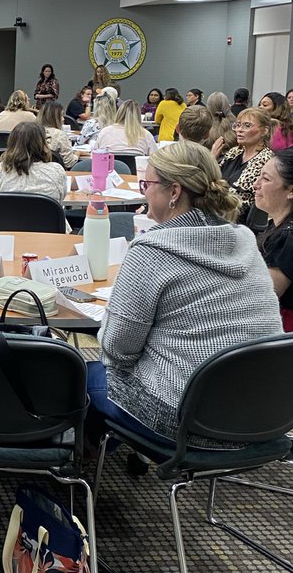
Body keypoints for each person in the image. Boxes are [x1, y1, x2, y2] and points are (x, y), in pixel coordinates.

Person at [87, 141, 280, 446]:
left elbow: (118, 351)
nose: (144, 193)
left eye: (147, 185)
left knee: (84, 374)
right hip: (263, 417)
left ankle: (84, 463)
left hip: (188, 422)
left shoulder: (151, 251)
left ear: (174, 191)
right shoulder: (244, 240)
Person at [255, 149, 293, 331]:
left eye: (266, 179)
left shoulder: (288, 237)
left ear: (291, 191)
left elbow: (263, 295)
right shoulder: (278, 227)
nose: (256, 184)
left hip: (281, 334)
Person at [0, 121, 66, 203]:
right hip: (46, 211)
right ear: (43, 144)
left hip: (9, 211)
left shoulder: (3, 169)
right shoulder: (56, 170)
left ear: (11, 143)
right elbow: (61, 198)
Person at [216, 106, 273, 213]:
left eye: (247, 126)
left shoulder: (266, 160)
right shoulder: (234, 152)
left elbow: (239, 200)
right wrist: (212, 159)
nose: (239, 130)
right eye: (238, 125)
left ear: (264, 131)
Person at [39, 102, 78, 169]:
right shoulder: (60, 135)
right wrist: (78, 154)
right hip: (56, 171)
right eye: (61, 116)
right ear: (53, 117)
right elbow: (69, 163)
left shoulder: (32, 131)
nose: (63, 119)